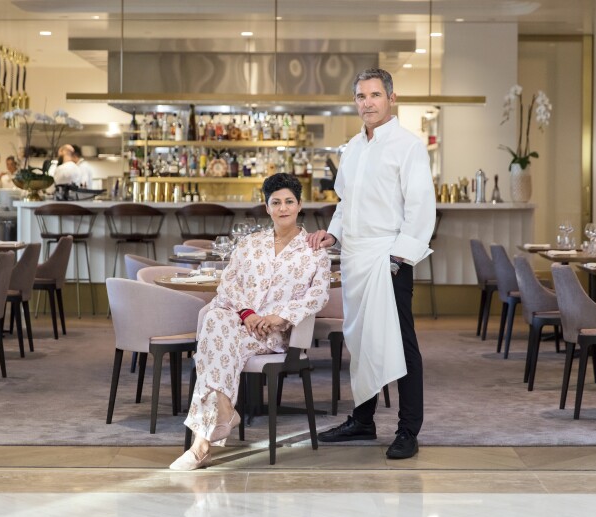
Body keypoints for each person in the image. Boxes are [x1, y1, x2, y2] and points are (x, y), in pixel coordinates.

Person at [307, 68, 436, 460]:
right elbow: (346, 204)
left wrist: (401, 256)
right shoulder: (353, 148)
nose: (368, 103)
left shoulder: (408, 146)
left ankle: (408, 429)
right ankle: (362, 420)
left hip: (389, 258)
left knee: (401, 344)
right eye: (361, 96)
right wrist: (333, 233)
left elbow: (420, 206)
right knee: (360, 341)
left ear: (391, 98)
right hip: (355, 258)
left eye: (375, 95)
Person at [170, 173, 331, 471]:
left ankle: (202, 445)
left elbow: (318, 296)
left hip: (276, 334)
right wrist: (248, 314)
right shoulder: (249, 244)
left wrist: (278, 316)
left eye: (289, 202)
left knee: (211, 341)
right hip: (240, 324)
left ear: (299, 205)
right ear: (266, 207)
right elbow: (228, 285)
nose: (283, 208)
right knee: (217, 319)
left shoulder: (314, 251)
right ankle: (221, 411)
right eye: (276, 202)